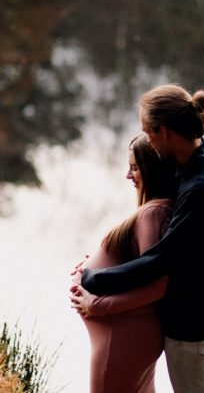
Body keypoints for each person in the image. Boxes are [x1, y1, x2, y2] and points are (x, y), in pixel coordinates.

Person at [78, 84, 204, 393]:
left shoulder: (200, 185)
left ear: (163, 131)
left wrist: (95, 280)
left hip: (190, 328)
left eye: (147, 132)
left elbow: (159, 261)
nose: (146, 140)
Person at [69, 133, 179, 393]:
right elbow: (139, 265)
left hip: (120, 341)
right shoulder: (157, 210)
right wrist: (98, 262)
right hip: (126, 338)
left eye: (134, 167)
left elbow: (156, 285)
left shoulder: (154, 213)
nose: (128, 176)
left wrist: (99, 305)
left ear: (152, 169)